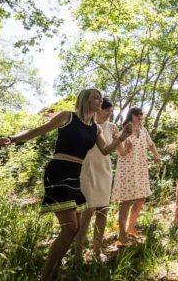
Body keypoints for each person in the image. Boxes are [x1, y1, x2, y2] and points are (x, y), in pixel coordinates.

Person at [0, 88, 132, 281]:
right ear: (85, 99)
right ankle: (45, 276)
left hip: (75, 176)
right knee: (70, 228)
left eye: (101, 98)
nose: (100, 101)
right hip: (58, 171)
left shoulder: (96, 128)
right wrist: (12, 138)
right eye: (96, 97)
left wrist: (123, 137)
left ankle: (54, 271)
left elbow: (105, 151)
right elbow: (37, 130)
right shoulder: (67, 117)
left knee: (72, 229)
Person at [74, 97, 118, 261]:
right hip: (87, 170)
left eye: (111, 111)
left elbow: (115, 149)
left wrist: (123, 142)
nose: (109, 114)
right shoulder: (86, 125)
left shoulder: (112, 127)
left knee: (103, 211)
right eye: (107, 110)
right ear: (98, 109)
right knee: (87, 211)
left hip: (105, 170)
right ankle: (77, 252)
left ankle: (97, 250)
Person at [111, 107, 162, 245]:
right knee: (127, 201)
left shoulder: (144, 130)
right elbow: (120, 151)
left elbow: (151, 145)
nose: (139, 116)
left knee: (141, 198)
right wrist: (126, 149)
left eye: (141, 114)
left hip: (141, 168)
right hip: (127, 169)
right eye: (136, 114)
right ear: (131, 115)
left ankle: (131, 228)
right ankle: (121, 235)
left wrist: (156, 156)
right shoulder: (125, 130)